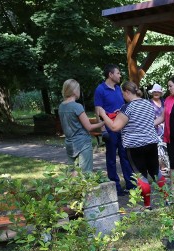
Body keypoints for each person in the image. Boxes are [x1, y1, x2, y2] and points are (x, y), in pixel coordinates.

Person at [97, 81, 161, 208]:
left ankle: (147, 205)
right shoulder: (148, 103)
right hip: (152, 143)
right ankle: (167, 199)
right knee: (155, 172)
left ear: (127, 92)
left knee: (140, 174)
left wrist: (103, 114)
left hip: (135, 146)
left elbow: (115, 127)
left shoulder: (128, 107)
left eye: (122, 93)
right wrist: (120, 112)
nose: (122, 96)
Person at [94, 64, 135, 196]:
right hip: (110, 129)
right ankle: (115, 187)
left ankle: (131, 184)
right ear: (110, 75)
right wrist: (103, 130)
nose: (119, 75)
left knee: (125, 156)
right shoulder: (100, 90)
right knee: (111, 158)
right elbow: (98, 111)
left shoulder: (119, 89)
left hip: (122, 128)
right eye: (117, 73)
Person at [58, 79, 105, 174]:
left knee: (71, 172)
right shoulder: (77, 106)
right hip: (82, 143)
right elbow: (89, 127)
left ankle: (72, 189)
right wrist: (104, 122)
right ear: (74, 91)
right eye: (78, 89)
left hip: (69, 143)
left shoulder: (61, 106)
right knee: (85, 173)